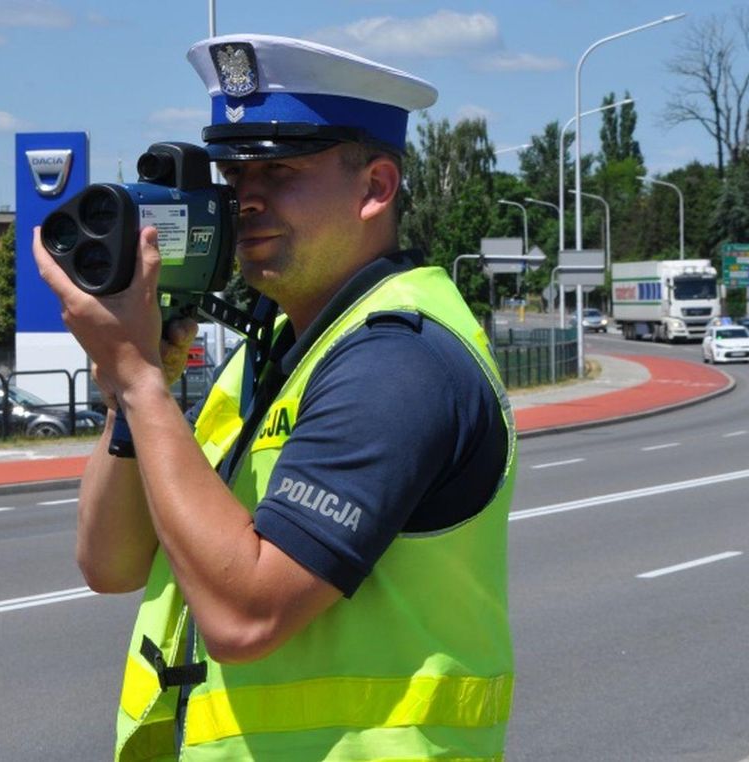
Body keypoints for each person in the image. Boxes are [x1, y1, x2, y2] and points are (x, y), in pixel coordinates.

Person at [34, 33, 516, 760]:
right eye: (234, 173)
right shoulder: (273, 354)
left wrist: (138, 379)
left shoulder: (397, 362)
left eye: (280, 170)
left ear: (375, 188)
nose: (246, 198)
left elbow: (245, 619)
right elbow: (111, 563)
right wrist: (133, 394)